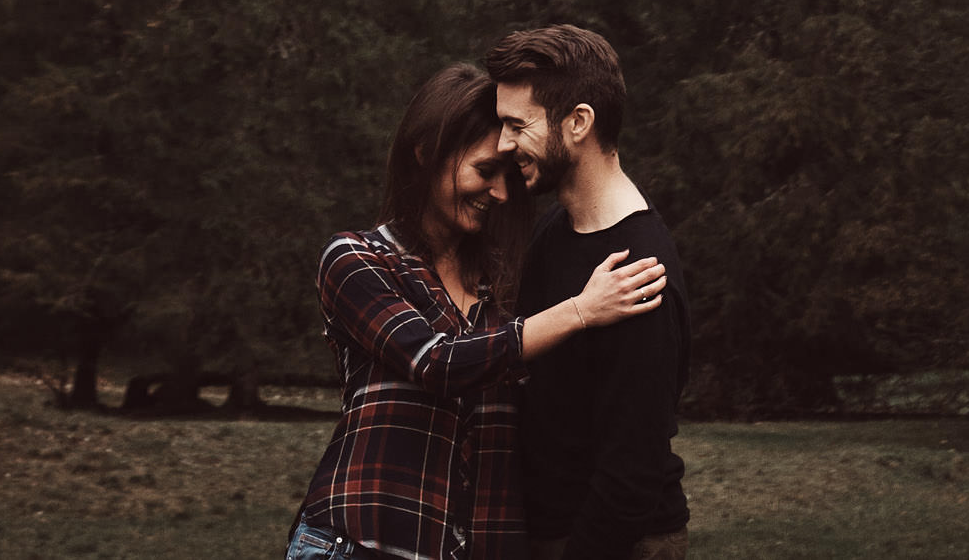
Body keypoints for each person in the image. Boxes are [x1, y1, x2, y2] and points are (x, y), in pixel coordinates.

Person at [289, 63, 669, 560]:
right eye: (485, 171)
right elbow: (437, 362)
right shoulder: (357, 260)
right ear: (427, 154)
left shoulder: (508, 285)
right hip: (362, 542)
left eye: (508, 176)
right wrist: (580, 310)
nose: (502, 193)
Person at [485, 27, 691, 560]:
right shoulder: (556, 231)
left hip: (613, 542)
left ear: (578, 122)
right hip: (552, 529)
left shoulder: (639, 270)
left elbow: (633, 470)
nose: (504, 144)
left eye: (517, 125)